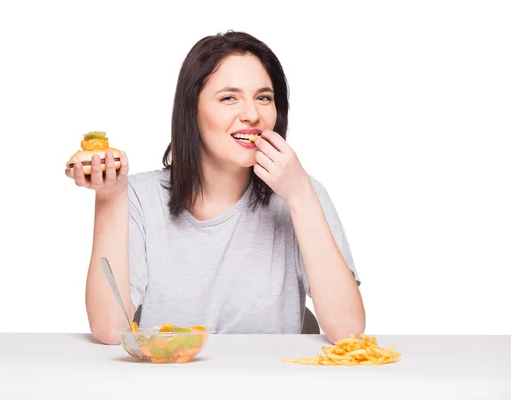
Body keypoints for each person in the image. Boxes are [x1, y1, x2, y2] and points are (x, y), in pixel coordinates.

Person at [66, 31, 365, 345]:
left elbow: (348, 331)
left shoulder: (301, 192)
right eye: (229, 98)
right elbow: (109, 329)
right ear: (191, 111)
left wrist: (300, 194)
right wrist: (110, 196)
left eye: (264, 97)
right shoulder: (139, 197)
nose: (253, 114)